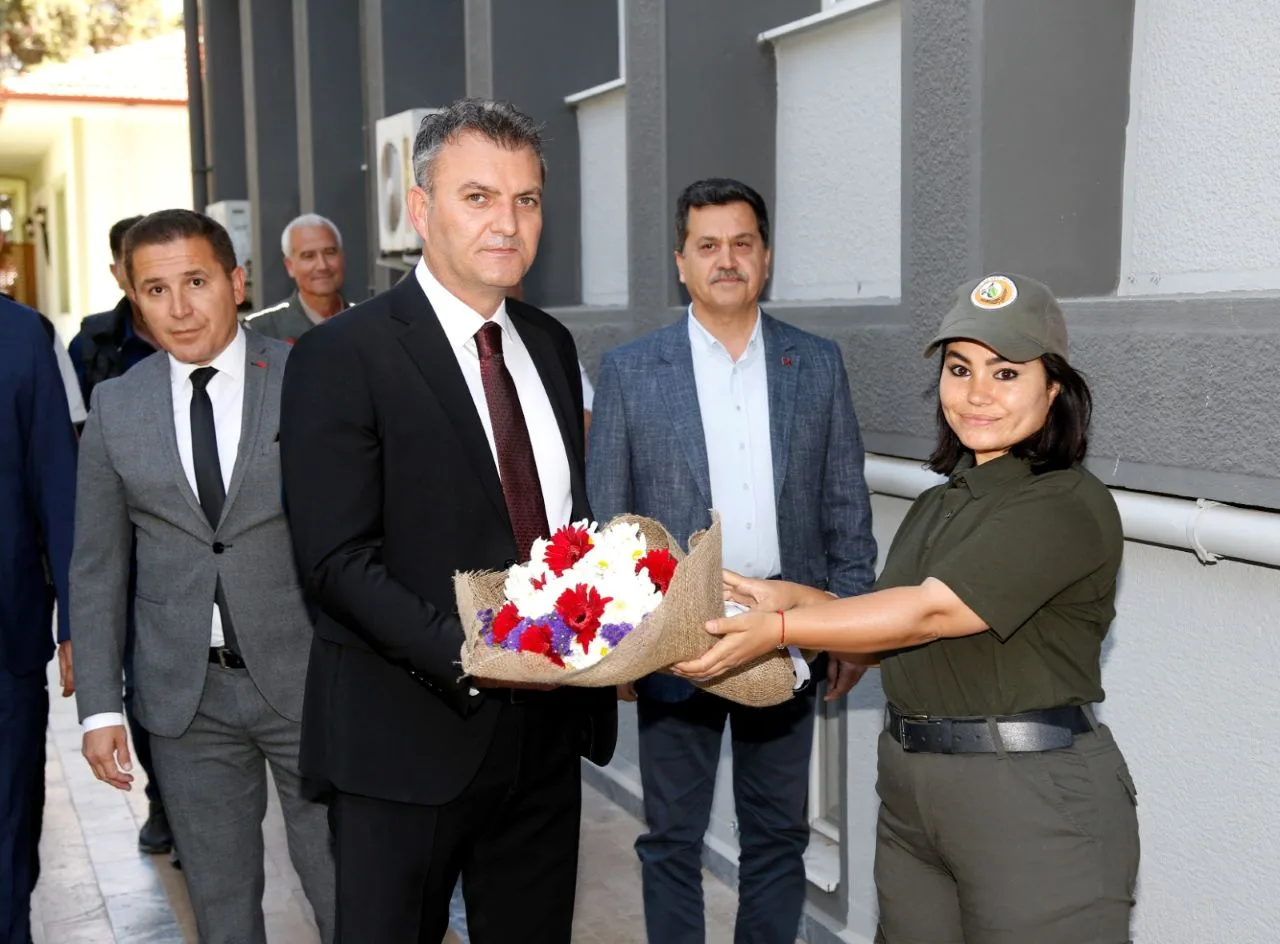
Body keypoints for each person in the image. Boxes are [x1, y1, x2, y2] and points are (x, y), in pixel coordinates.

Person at [677, 273, 1140, 944]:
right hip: (911, 794)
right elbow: (879, 632)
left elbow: (930, 613)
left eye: (1006, 372)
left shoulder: (1063, 502)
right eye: (960, 368)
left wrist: (778, 628)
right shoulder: (939, 503)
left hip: (1027, 796)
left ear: (1054, 389)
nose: (977, 393)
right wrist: (787, 597)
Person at [279, 98, 616, 944]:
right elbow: (336, 562)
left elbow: (561, 528)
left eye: (527, 199)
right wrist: (484, 658)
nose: (508, 222)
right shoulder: (340, 355)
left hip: (546, 737)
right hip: (404, 738)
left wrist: (617, 623)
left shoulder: (548, 343)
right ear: (420, 209)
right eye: (479, 197)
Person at [587, 177, 877, 944]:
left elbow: (845, 503)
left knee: (778, 835)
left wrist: (852, 623)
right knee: (672, 838)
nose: (726, 260)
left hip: (784, 633)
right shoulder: (630, 371)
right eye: (708, 245)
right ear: (680, 263)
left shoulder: (816, 364)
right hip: (675, 640)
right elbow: (612, 522)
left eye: (742, 243)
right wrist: (620, 646)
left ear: (766, 258)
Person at [70, 209, 336, 944]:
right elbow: (96, 568)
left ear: (236, 282)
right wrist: (99, 709)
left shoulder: (308, 376)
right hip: (186, 698)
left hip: (309, 680)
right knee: (221, 908)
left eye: (195, 282)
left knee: (343, 888)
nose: (179, 308)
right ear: (134, 299)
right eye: (156, 290)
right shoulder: (116, 407)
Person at [66, 214, 173, 860]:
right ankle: (167, 798)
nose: (174, 302)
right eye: (151, 283)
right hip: (128, 531)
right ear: (121, 276)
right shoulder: (92, 345)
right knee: (145, 672)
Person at [0, 295, 77, 944]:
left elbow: (58, 484)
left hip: (7, 634)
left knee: (9, 817)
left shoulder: (23, 337)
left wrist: (77, 620)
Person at [68, 216, 159, 404]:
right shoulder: (89, 345)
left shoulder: (203, 333)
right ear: (116, 272)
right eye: (133, 264)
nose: (149, 276)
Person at [244, 213, 351, 343]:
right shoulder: (260, 330)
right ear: (290, 266)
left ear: (342, 257)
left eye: (330, 252)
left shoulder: (367, 320)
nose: (322, 266)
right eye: (309, 256)